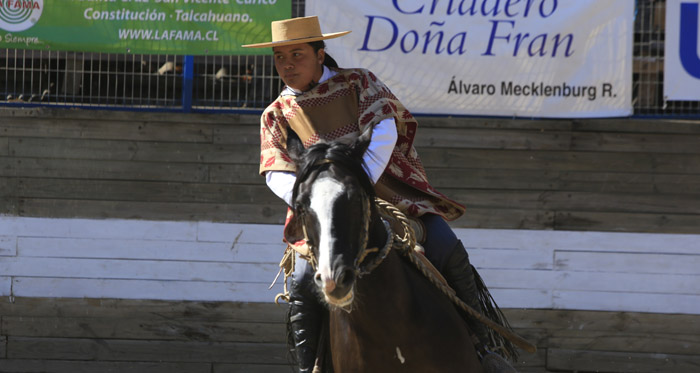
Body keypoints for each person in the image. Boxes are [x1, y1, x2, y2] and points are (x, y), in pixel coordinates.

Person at [244, 16, 493, 372]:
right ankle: (308, 367)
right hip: (319, 209)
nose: (287, 64)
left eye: (296, 54)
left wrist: (356, 187)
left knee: (445, 244)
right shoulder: (275, 115)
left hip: (384, 190)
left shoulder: (359, 82)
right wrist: (315, 200)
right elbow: (274, 170)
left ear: (320, 54)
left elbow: (385, 130)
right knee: (301, 280)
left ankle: (484, 347)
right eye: (280, 57)